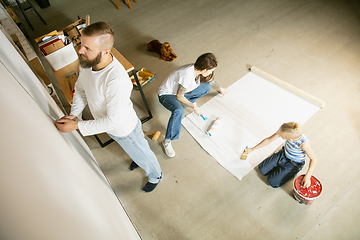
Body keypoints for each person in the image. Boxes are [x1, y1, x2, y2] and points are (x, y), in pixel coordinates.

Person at [55, 22, 162, 192]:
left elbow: (113, 121)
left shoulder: (116, 81)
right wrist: (75, 114)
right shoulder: (88, 62)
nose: (80, 51)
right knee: (138, 149)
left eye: (87, 48)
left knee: (142, 151)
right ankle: (139, 157)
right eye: (81, 45)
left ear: (106, 51)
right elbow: (81, 90)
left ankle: (155, 174)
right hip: (114, 124)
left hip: (124, 130)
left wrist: (76, 126)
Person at [158, 53, 229, 157]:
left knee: (206, 87)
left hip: (180, 91)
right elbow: (180, 96)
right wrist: (194, 107)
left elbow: (210, 80)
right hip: (167, 94)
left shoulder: (197, 69)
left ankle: (189, 101)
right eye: (211, 70)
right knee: (179, 111)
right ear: (204, 69)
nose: (212, 72)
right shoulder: (186, 75)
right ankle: (167, 141)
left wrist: (220, 88)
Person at [242, 122, 317, 188]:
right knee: (262, 169)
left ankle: (291, 172)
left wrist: (308, 176)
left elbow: (314, 159)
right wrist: (252, 149)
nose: (278, 134)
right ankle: (280, 167)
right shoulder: (286, 131)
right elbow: (269, 140)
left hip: (294, 163)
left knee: (272, 182)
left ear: (289, 140)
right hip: (284, 154)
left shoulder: (304, 144)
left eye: (281, 136)